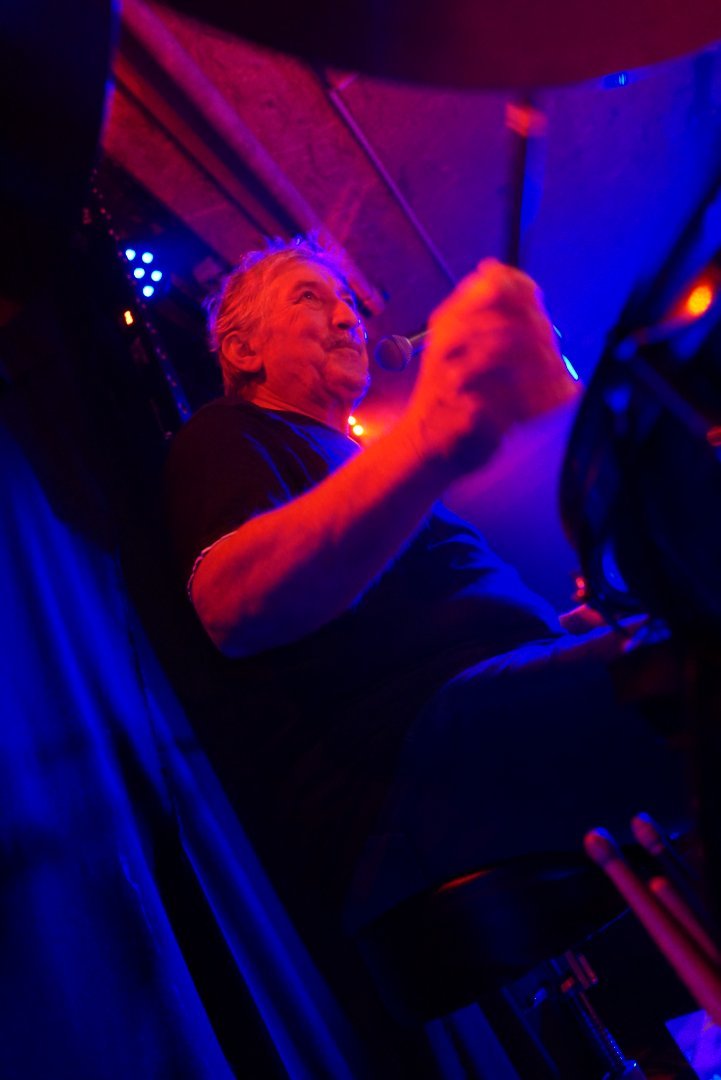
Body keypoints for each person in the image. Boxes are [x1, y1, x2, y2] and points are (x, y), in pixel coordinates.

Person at [163, 237, 689, 948]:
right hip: (402, 768)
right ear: (243, 349)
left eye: (347, 303)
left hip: (475, 712)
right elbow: (231, 606)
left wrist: (564, 632)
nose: (347, 318)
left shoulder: (360, 460)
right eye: (310, 298)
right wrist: (427, 435)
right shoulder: (227, 433)